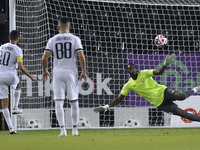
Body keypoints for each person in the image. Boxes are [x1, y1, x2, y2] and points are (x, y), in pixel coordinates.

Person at [94, 53, 200, 123]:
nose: (132, 70)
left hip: (163, 91)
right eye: (129, 69)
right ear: (128, 72)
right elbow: (119, 99)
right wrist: (106, 106)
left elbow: (158, 72)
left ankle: (196, 89)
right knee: (183, 113)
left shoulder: (144, 73)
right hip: (159, 103)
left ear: (136, 69)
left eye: (133, 68)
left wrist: (165, 64)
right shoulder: (129, 85)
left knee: (181, 96)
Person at [42, 17, 87, 137]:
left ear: (58, 27)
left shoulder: (52, 39)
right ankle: (75, 130)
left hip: (57, 72)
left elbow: (44, 57)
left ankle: (62, 130)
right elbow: (81, 56)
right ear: (70, 26)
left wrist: (44, 70)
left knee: (58, 101)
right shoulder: (75, 38)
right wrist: (84, 71)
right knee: (73, 101)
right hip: (71, 72)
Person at [0, 30, 37, 134]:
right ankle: (15, 107)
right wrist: (30, 76)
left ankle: (11, 128)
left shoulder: (2, 47)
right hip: (11, 75)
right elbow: (20, 67)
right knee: (18, 85)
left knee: (4, 105)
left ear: (9, 38)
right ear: (18, 38)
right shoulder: (18, 50)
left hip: (0, 75)